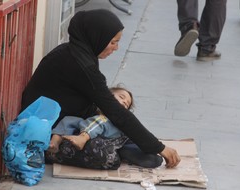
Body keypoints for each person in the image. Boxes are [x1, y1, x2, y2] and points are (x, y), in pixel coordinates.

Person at [21, 9, 180, 168]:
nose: (116, 48)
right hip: (49, 133)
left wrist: (154, 145)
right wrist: (160, 148)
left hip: (73, 122)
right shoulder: (80, 64)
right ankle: (118, 149)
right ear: (97, 37)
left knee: (115, 129)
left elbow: (112, 110)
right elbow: (115, 110)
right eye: (113, 42)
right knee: (107, 157)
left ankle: (126, 147)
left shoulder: (77, 52)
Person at [48, 85, 163, 168]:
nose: (123, 102)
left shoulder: (108, 119)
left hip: (117, 141)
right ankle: (55, 143)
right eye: (121, 97)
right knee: (69, 119)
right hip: (97, 137)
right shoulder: (93, 112)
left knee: (152, 159)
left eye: (126, 105)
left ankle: (83, 138)